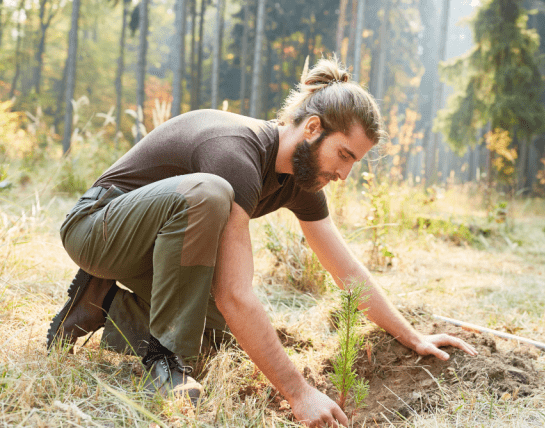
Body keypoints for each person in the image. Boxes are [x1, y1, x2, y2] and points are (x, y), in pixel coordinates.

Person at [47, 58, 476, 427]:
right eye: (344, 155)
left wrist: (412, 336)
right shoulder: (236, 153)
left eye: (354, 163)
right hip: (97, 229)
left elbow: (346, 270)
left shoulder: (301, 181)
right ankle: (165, 363)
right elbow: (235, 293)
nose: (345, 175)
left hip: (149, 252)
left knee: (228, 341)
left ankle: (102, 303)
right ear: (312, 128)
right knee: (209, 193)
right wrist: (299, 393)